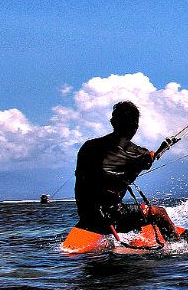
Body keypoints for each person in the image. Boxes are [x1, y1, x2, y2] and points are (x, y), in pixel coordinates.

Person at [74, 101, 179, 239]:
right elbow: (148, 159)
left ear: (112, 122)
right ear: (135, 126)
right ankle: (177, 247)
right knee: (160, 213)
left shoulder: (88, 146)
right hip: (111, 218)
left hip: (86, 216)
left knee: (126, 209)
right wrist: (162, 149)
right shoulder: (135, 152)